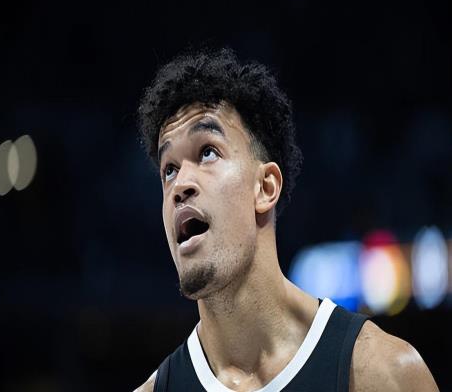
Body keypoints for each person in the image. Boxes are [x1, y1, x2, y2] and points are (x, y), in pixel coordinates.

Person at [134, 48, 439, 391]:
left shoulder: (382, 374)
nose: (180, 185)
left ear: (266, 187)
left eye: (207, 152)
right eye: (169, 170)